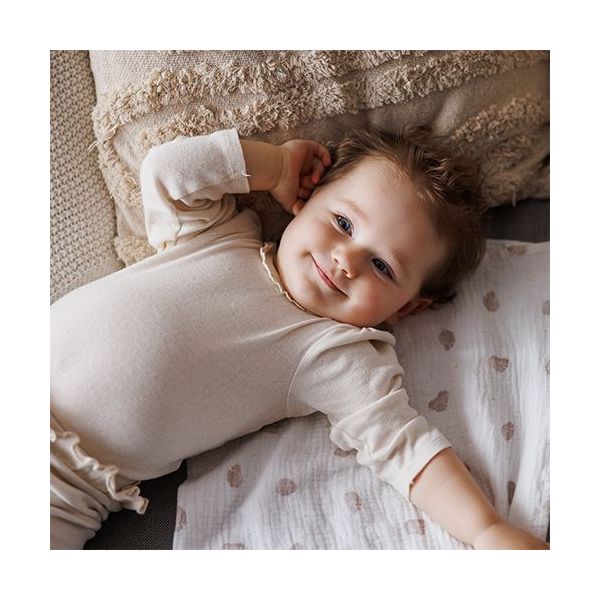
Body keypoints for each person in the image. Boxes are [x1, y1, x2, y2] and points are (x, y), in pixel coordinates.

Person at [50, 127, 548, 550]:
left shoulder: (334, 353)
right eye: (343, 223)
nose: (346, 260)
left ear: (407, 307)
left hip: (65, 481)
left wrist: (486, 530)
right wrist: (276, 167)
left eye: (382, 266)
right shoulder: (218, 232)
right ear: (306, 201)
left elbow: (405, 448)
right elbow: (168, 170)